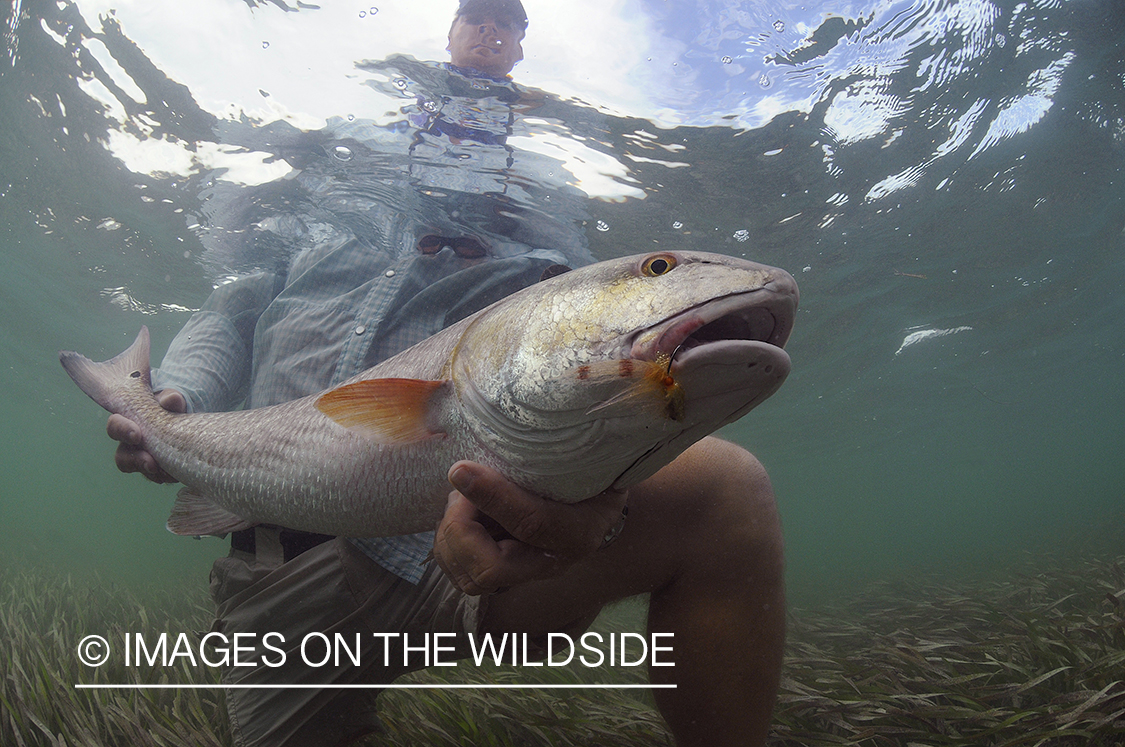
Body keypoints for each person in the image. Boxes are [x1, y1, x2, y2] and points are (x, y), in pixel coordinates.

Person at [107, 1, 786, 745]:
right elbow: (232, 309)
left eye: (509, 22)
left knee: (726, 489)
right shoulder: (337, 165)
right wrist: (179, 397)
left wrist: (605, 504)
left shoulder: (541, 194)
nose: (491, 29)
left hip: (450, 546)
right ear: (452, 33)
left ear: (521, 47)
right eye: (477, 16)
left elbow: (568, 354)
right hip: (272, 570)